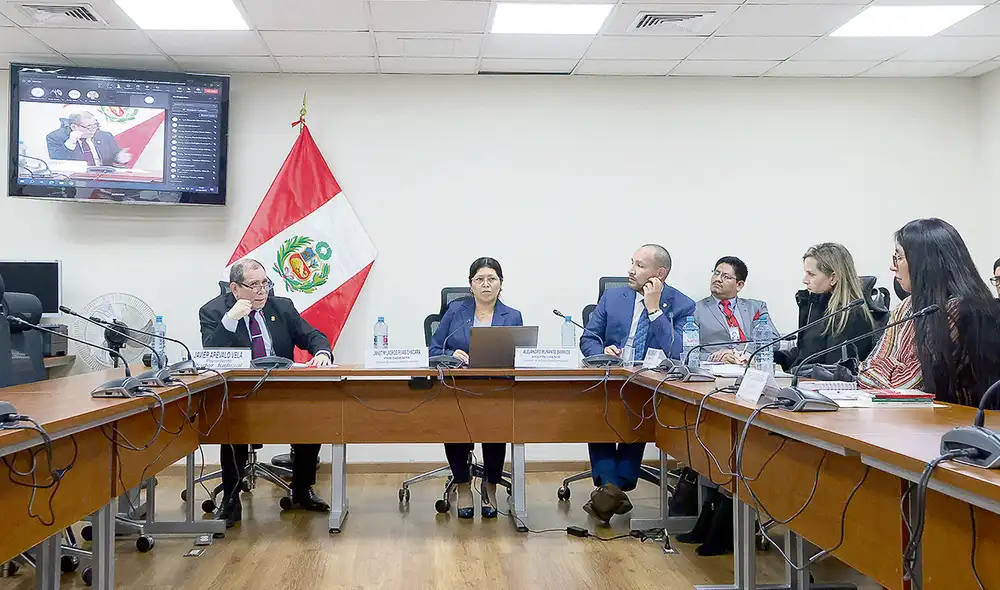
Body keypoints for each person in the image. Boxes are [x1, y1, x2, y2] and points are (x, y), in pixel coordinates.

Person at [198, 259, 333, 527]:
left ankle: (301, 490)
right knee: (234, 426)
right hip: (240, 394)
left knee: (310, 416)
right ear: (234, 288)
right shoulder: (213, 311)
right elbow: (211, 354)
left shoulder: (281, 307)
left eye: (265, 283)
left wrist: (322, 352)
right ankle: (231, 499)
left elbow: (313, 335)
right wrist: (230, 319)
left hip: (280, 389)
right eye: (254, 285)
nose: (261, 291)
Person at [580, 244, 695, 523]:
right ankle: (615, 487)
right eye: (632, 262)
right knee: (600, 415)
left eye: (640, 266)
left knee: (637, 414)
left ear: (660, 273)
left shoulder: (682, 304)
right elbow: (588, 338)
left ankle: (609, 490)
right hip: (610, 379)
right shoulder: (612, 297)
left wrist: (654, 310)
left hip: (650, 386)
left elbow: (679, 351)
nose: (631, 270)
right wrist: (602, 351)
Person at [858, 219, 1000, 408]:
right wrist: (895, 368)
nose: (893, 267)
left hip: (954, 420)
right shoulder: (906, 306)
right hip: (906, 417)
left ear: (925, 262)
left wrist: (888, 365)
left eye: (899, 258)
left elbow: (909, 386)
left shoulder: (959, 309)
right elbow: (865, 370)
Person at [429, 257, 523, 519]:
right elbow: (434, 349)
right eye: (479, 279)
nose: (486, 284)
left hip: (496, 388)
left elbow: (521, 355)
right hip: (458, 386)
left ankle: (490, 485)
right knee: (456, 428)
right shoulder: (455, 312)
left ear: (501, 283)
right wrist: (451, 354)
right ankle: (462, 485)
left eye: (491, 279)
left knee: (496, 431)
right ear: (470, 284)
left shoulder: (512, 316)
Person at [774, 243, 876, 372]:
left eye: (811, 274)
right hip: (805, 380)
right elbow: (805, 354)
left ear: (833, 278)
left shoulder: (849, 315)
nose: (805, 280)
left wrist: (796, 372)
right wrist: (772, 357)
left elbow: (834, 370)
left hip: (821, 383)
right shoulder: (817, 304)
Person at [694, 256, 777, 365]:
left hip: (750, 367)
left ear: (739, 285)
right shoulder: (696, 309)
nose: (718, 279)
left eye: (726, 277)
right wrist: (713, 357)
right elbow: (688, 351)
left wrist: (742, 353)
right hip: (715, 370)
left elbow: (774, 341)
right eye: (716, 273)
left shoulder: (756, 308)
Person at [45, 110, 130, 166]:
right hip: (75, 179)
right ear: (74, 127)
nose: (93, 130)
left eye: (95, 125)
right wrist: (70, 143)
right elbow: (57, 162)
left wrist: (120, 158)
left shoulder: (105, 136)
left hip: (103, 178)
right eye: (89, 127)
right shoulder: (55, 137)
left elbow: (114, 156)